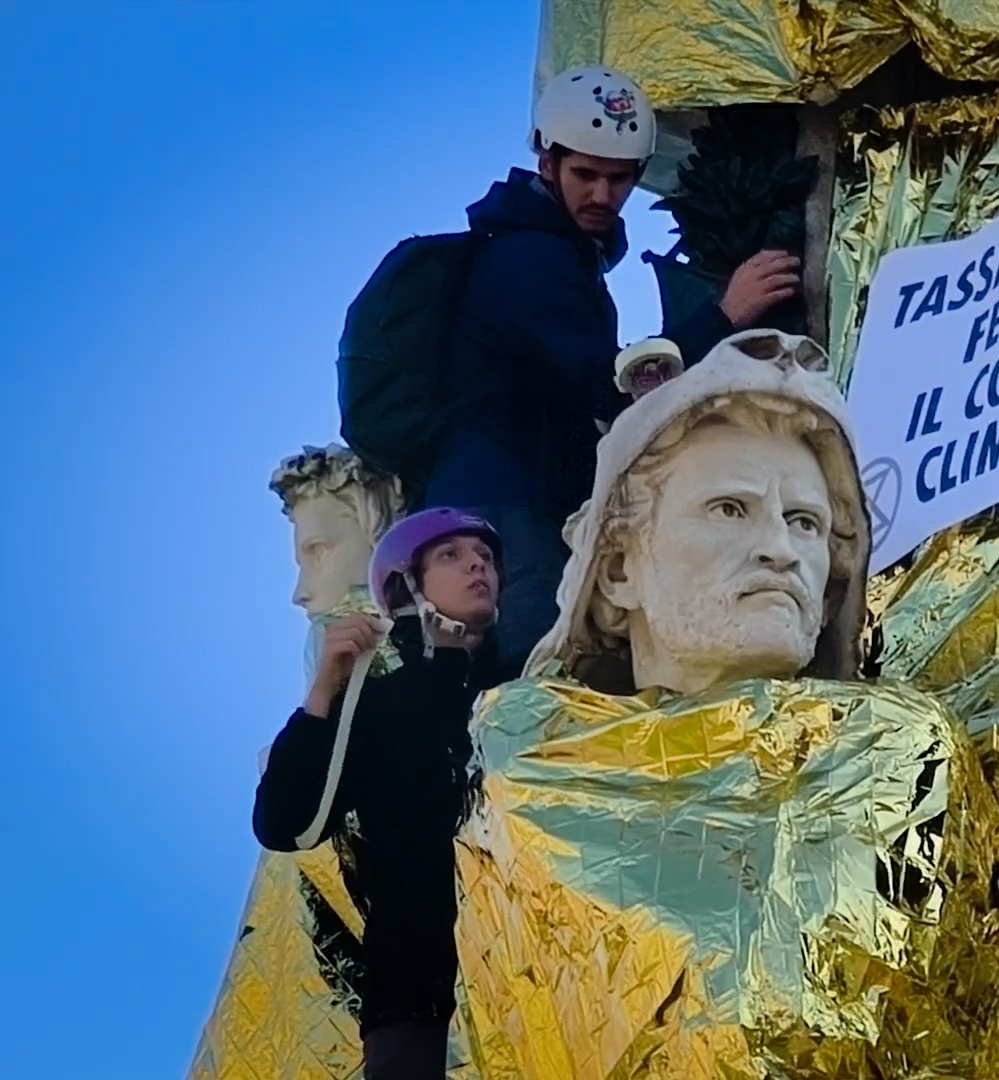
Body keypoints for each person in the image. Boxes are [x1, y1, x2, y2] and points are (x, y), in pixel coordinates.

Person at [423, 65, 801, 668]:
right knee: (534, 683)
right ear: (548, 163)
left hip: (504, 504)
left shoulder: (553, 253)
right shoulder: (532, 259)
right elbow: (608, 386)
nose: (603, 195)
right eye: (586, 174)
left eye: (620, 179)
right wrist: (723, 316)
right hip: (507, 516)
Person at [252, 508, 511, 1080]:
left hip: (532, 982)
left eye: (485, 556)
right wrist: (325, 690)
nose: (476, 564)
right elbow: (286, 823)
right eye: (452, 555)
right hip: (415, 1000)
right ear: (408, 584)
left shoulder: (525, 688)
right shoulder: (377, 704)